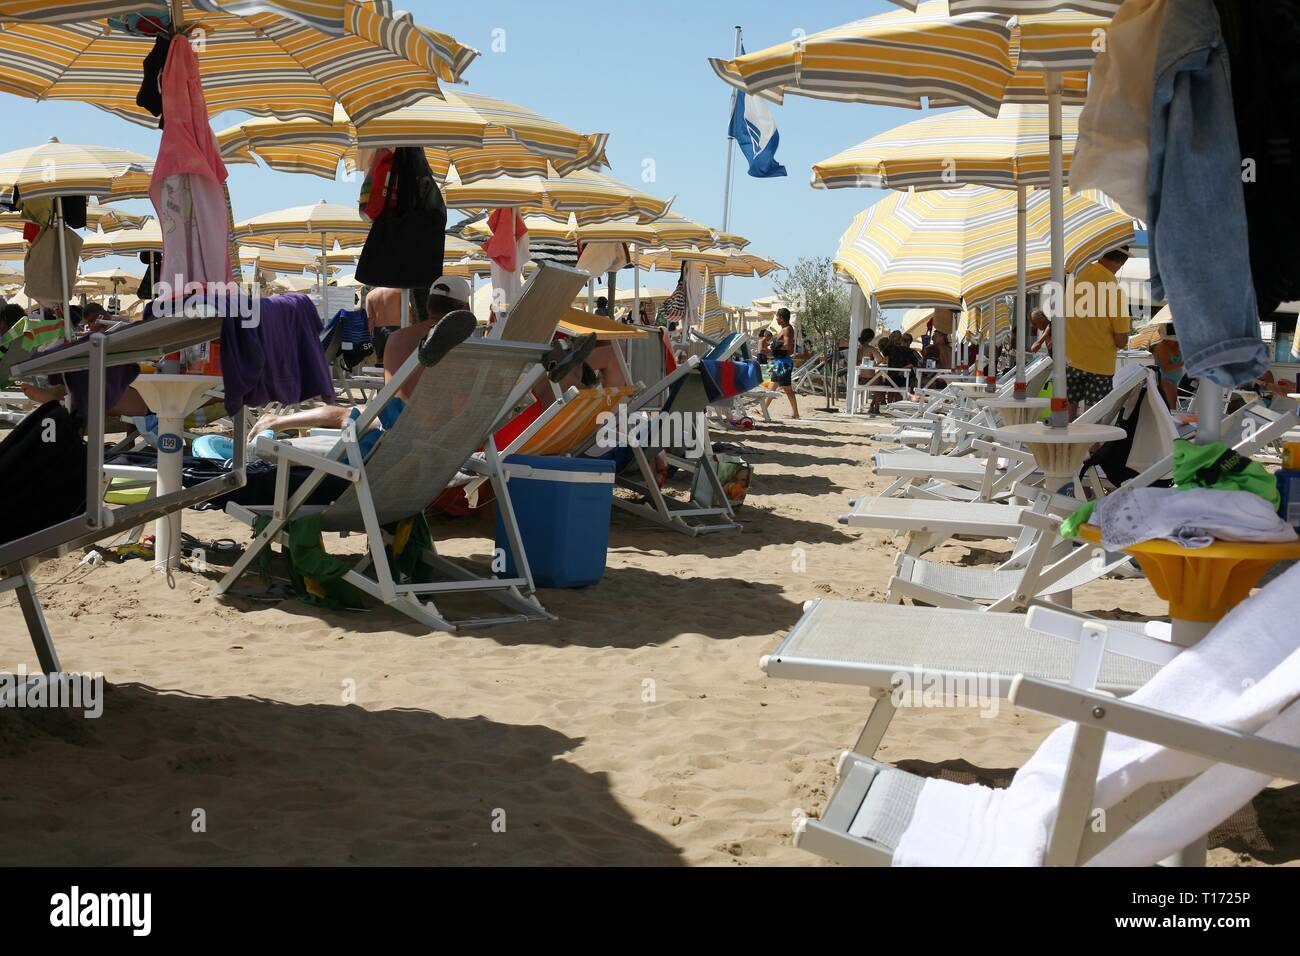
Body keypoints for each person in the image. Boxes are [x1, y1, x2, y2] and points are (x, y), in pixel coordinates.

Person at [1065, 246, 1131, 419]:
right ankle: (1091, 447)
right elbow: (1120, 340)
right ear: (1121, 262)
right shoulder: (1115, 291)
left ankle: (1063, 444)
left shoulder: (1077, 277)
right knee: (1092, 417)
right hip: (1099, 364)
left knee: (1067, 414)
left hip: (1071, 358)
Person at [771, 307, 800, 420]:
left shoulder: (787, 329)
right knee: (772, 387)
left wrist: (776, 347)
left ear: (782, 318)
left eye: (777, 316)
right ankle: (763, 409)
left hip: (784, 364)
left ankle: (796, 413)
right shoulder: (783, 329)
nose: (776, 319)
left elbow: (788, 346)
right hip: (780, 362)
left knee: (787, 389)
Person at [1149, 318, 1185, 409]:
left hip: (1172, 381)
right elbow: (1165, 368)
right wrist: (1182, 364)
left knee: (1172, 408)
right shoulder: (1162, 347)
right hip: (1164, 381)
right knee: (1171, 409)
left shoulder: (1177, 345)